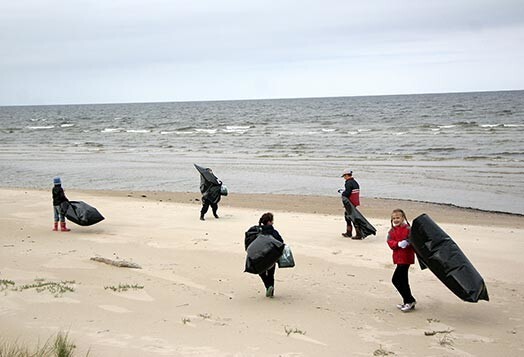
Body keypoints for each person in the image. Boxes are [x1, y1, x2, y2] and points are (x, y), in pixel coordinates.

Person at [387, 209, 416, 312]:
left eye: (398, 218)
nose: (396, 220)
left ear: (403, 218)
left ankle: (409, 300)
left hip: (406, 258)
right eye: (394, 218)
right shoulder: (391, 231)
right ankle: (408, 301)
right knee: (403, 280)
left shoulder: (408, 229)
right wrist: (397, 244)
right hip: (398, 258)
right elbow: (389, 241)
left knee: (396, 280)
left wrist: (407, 242)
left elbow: (413, 239)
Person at [257, 212, 284, 298]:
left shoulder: (257, 231)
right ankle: (270, 290)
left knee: (261, 272)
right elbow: (281, 242)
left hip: (260, 256)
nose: (273, 222)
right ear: (268, 222)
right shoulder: (273, 232)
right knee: (271, 274)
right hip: (271, 257)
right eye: (272, 221)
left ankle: (268, 286)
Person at [340, 168, 361, 239]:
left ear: (346, 175)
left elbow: (347, 193)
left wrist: (342, 193)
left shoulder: (348, 183)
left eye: (344, 176)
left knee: (350, 218)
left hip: (351, 204)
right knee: (351, 217)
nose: (344, 178)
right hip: (356, 203)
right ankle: (350, 232)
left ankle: (357, 234)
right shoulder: (355, 182)